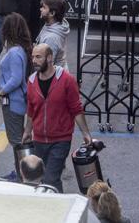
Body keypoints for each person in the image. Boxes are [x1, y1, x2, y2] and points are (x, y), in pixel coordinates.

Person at [22, 43, 92, 192]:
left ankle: (58, 209)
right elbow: (31, 109)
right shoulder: (31, 81)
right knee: (40, 178)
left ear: (49, 58)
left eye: (38, 57)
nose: (34, 60)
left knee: (51, 179)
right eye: (33, 57)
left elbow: (76, 109)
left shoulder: (67, 80)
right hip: (39, 140)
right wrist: (28, 131)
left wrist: (86, 133)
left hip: (60, 140)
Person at [0, 13, 31, 182]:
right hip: (14, 100)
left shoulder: (15, 52)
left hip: (12, 101)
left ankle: (24, 174)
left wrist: (2, 90)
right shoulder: (19, 50)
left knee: (17, 140)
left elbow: (17, 78)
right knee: (18, 139)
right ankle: (22, 172)